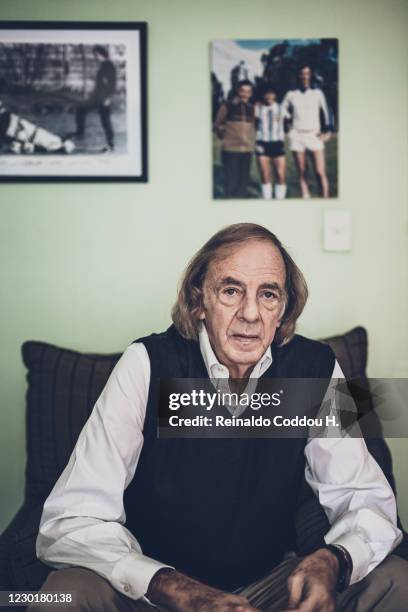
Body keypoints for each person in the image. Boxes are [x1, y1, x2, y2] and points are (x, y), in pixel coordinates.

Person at [31, 223, 407, 612]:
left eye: (268, 295)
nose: (250, 314)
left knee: (395, 581)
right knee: (64, 594)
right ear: (199, 301)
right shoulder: (146, 363)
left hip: (269, 587)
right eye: (231, 291)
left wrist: (334, 560)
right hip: (154, 593)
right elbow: (70, 519)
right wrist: (170, 586)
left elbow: (365, 498)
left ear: (283, 309)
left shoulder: (315, 368)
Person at [281, 65, 332, 199]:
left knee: (320, 171)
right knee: (302, 172)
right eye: (302, 74)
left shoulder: (318, 93)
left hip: (314, 136)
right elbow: (282, 110)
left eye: (307, 73)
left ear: (311, 76)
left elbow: (327, 112)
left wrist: (328, 131)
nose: (304, 76)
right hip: (297, 136)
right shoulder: (291, 94)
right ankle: (306, 197)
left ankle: (325, 198)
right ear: (298, 76)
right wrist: (288, 120)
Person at [213, 80, 256, 198]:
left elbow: (254, 127)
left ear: (251, 93)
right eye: (242, 91)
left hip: (247, 150)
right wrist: (224, 135)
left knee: (243, 183)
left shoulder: (252, 108)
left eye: (248, 92)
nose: (245, 94)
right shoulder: (227, 105)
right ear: (238, 91)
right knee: (231, 183)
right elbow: (216, 125)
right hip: (230, 150)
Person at [74, 45, 117, 153]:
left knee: (105, 121)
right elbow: (100, 84)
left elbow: (112, 84)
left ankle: (110, 145)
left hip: (104, 99)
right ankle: (80, 133)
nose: (95, 57)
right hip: (96, 98)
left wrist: (108, 98)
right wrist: (91, 96)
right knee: (80, 108)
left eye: (96, 55)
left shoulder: (109, 66)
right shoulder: (103, 65)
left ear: (101, 54)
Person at [255, 88, 287, 200]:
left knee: (280, 174)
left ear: (275, 95)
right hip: (262, 144)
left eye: (271, 94)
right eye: (266, 94)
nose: (269, 96)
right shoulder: (258, 108)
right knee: (265, 174)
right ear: (263, 96)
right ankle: (267, 201)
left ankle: (280, 201)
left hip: (277, 143)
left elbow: (292, 120)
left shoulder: (281, 108)